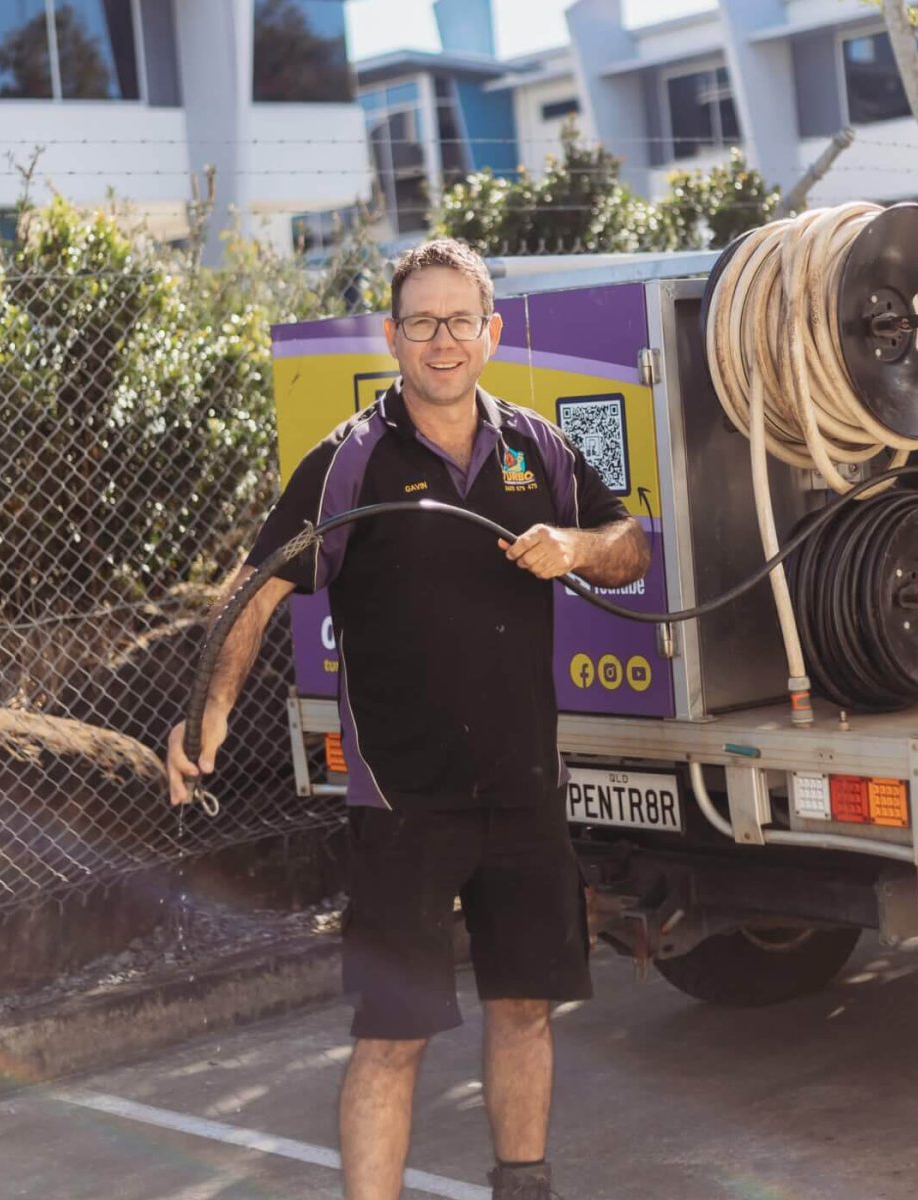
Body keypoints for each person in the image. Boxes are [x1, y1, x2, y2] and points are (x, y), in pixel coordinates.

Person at [165, 238, 649, 1200]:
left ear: (491, 334)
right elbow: (253, 593)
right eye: (421, 322)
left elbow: (630, 546)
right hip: (403, 808)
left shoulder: (538, 447)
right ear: (392, 337)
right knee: (390, 1042)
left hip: (521, 795)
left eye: (459, 320)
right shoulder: (347, 463)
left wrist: (578, 546)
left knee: (524, 1012)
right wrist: (206, 714)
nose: (441, 340)